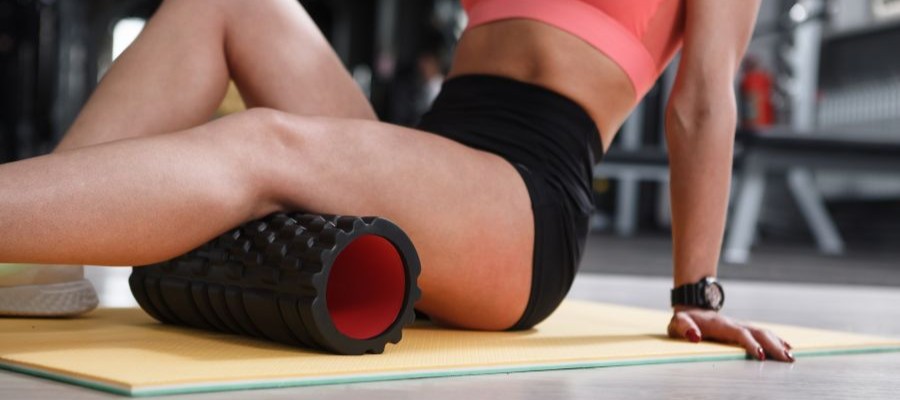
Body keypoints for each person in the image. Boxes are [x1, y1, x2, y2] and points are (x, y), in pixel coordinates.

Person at [0, 0, 792, 362]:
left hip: (522, 207)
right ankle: (39, 261)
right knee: (227, 3)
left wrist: (697, 293)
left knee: (266, 144)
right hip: (437, 160)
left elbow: (701, 104)